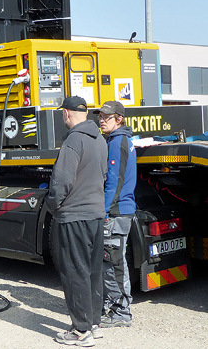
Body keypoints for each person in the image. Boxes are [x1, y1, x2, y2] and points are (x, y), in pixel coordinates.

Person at [45, 96, 108, 347]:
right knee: (93, 270)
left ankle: (81, 331)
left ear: (67, 114)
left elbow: (62, 181)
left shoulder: (73, 140)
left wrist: (52, 205)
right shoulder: (100, 139)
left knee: (75, 272)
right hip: (95, 214)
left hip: (74, 216)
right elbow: (103, 174)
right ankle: (93, 322)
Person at [94, 101, 136, 328]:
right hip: (120, 211)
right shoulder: (119, 140)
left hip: (116, 212)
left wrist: (105, 211)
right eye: (100, 116)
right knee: (109, 262)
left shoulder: (118, 141)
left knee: (113, 263)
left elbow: (114, 183)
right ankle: (113, 305)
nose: (101, 120)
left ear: (119, 119)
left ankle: (121, 312)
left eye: (106, 117)